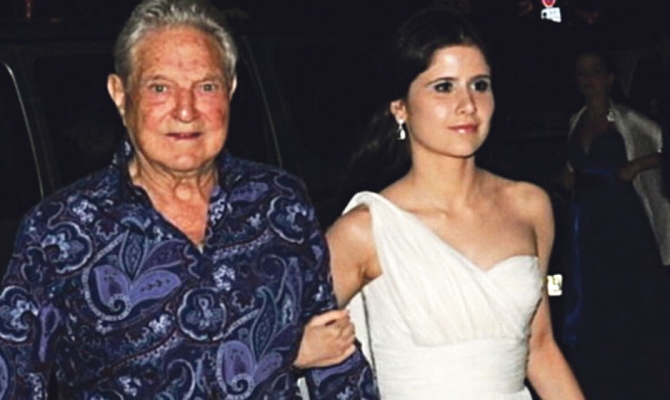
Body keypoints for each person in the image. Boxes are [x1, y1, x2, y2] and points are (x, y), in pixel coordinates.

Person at [0, 0, 378, 398]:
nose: (186, 110)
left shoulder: (279, 204)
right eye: (160, 88)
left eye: (206, 87)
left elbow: (337, 362)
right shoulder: (61, 231)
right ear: (121, 94)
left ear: (231, 90)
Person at [322, 7, 584, 400]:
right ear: (400, 107)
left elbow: (541, 347)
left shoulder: (529, 206)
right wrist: (299, 352)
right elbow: (277, 348)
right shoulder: (366, 229)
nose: (468, 104)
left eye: (480, 85)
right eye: (443, 87)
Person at [560, 49, 670, 400]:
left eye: (595, 71)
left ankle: (637, 366)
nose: (589, 79)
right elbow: (572, 166)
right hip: (585, 216)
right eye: (582, 73)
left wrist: (637, 165)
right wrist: (567, 178)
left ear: (609, 78)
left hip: (621, 214)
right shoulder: (576, 120)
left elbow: (662, 146)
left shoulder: (627, 119)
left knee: (627, 285)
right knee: (591, 287)